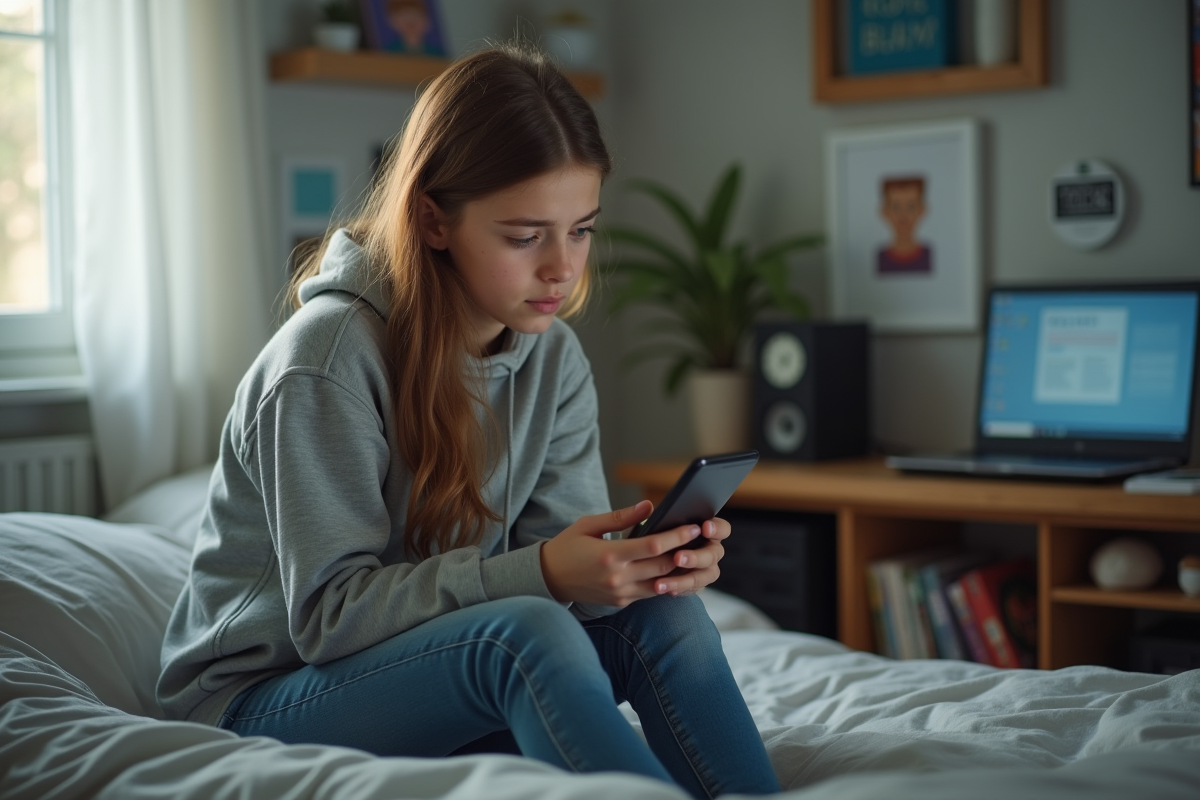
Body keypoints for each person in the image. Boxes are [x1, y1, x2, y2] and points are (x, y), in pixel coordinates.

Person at [157, 44, 780, 799]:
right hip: (264, 700)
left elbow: (549, 572)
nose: (562, 267)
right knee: (528, 636)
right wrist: (544, 573)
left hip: (429, 675)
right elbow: (330, 620)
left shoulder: (553, 359)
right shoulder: (323, 362)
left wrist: (631, 570)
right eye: (525, 236)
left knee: (667, 621)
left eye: (581, 229)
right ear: (432, 219)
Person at [876, 175, 933, 275]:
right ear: (884, 211)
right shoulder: (878, 258)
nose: (903, 217)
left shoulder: (930, 256)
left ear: (922, 210)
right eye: (896, 207)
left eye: (911, 207)